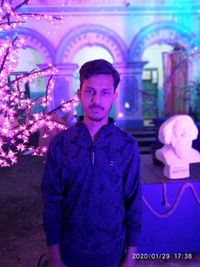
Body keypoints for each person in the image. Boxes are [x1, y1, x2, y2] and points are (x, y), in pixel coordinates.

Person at [41, 59, 142, 267]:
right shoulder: (61, 144)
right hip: (70, 252)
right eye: (90, 91)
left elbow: (133, 202)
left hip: (112, 252)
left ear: (114, 97)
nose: (97, 99)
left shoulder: (127, 145)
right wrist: (54, 256)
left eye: (105, 92)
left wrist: (131, 256)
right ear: (79, 94)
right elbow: (51, 202)